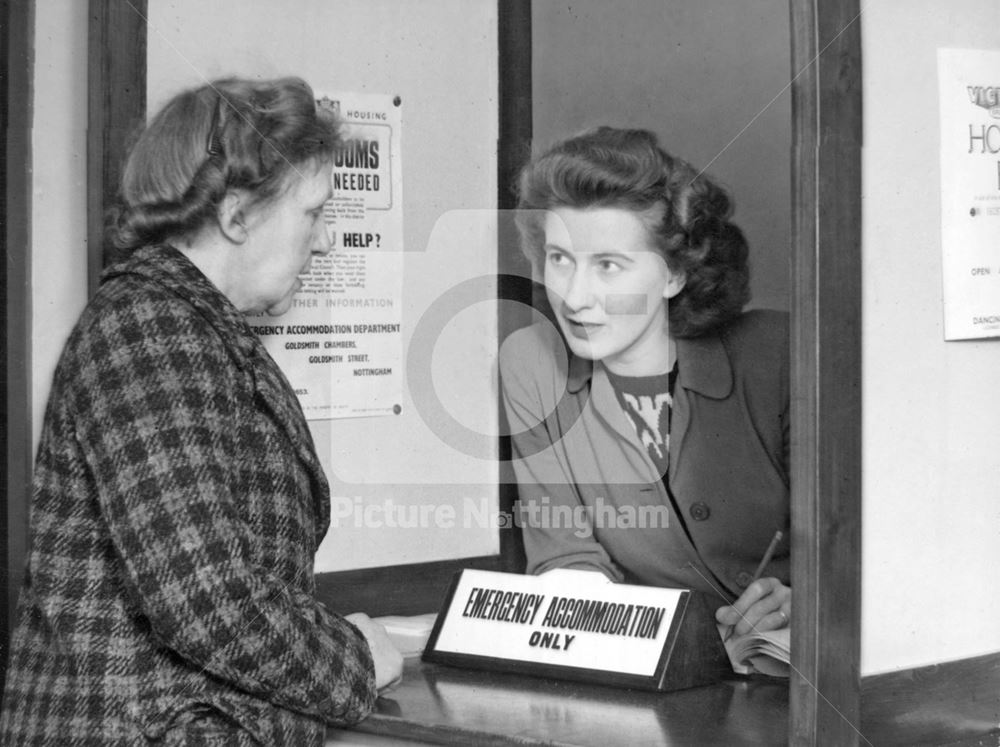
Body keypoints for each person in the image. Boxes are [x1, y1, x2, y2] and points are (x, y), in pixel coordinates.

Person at [0, 76, 402, 746]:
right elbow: (203, 597)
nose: (325, 241)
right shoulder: (149, 330)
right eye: (312, 213)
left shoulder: (191, 327)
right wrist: (354, 658)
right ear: (237, 214)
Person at [499, 126, 790, 640]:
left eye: (608, 266)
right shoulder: (532, 364)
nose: (575, 296)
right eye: (560, 259)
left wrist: (808, 596)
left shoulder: (779, 352)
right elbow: (565, 557)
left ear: (674, 275)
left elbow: (860, 541)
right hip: (663, 665)